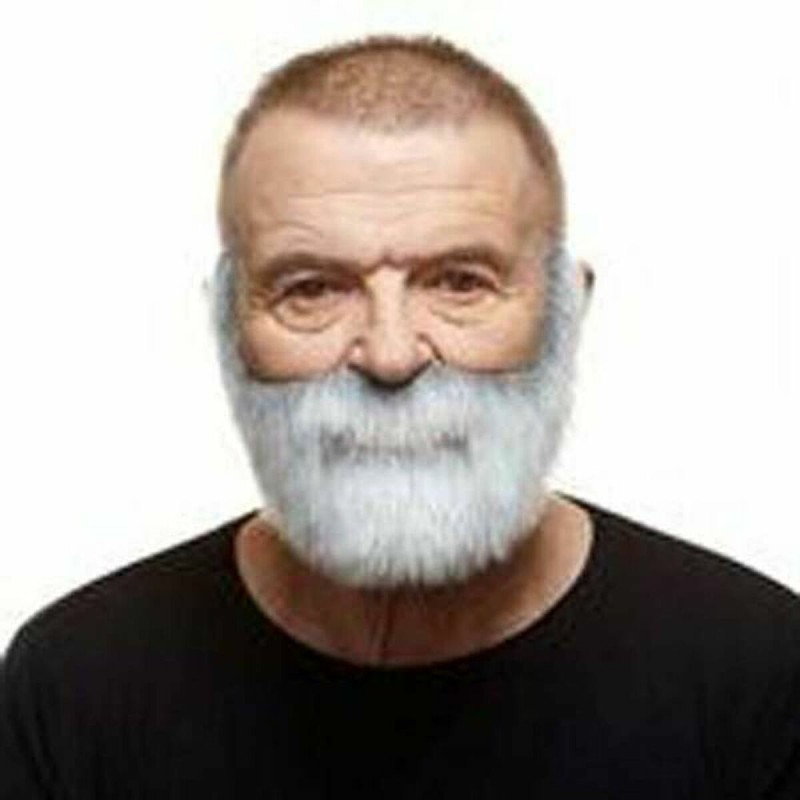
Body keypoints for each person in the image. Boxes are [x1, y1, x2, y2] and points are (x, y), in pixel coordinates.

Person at [1, 35, 798, 799]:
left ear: (567, 310)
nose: (389, 356)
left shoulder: (758, 672)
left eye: (460, 281)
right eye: (311, 289)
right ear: (227, 327)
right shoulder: (75, 683)